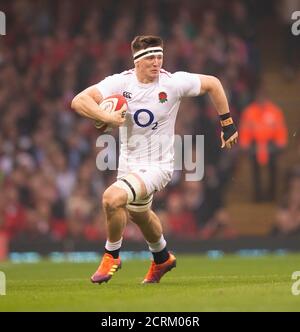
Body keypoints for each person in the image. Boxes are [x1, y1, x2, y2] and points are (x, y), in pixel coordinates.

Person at [71, 35, 238, 284]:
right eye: (150, 57)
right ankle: (162, 258)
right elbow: (78, 101)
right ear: (137, 61)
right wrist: (105, 117)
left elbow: (213, 83)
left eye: (159, 56)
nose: (156, 62)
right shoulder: (119, 82)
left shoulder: (172, 83)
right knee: (139, 213)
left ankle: (112, 255)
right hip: (128, 164)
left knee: (111, 198)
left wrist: (227, 123)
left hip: (158, 165)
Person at [239, 82, 288, 202]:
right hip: (254, 145)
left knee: (273, 168)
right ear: (256, 97)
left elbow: (280, 129)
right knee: (255, 171)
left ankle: (272, 195)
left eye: (263, 96)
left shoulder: (275, 111)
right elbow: (245, 129)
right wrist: (244, 144)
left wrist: (281, 143)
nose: (261, 98)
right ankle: (257, 196)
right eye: (259, 96)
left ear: (267, 97)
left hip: (271, 145)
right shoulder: (249, 112)